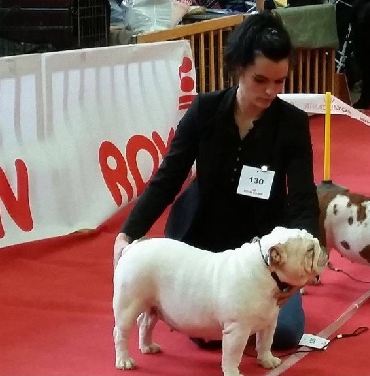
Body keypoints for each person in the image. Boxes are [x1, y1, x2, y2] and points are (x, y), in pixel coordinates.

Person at [112, 11, 320, 350]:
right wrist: (128, 234)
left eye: (279, 82)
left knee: (284, 333)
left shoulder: (292, 124)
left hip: (264, 255)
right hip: (202, 246)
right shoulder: (204, 111)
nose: (271, 91)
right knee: (212, 333)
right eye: (260, 79)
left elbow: (302, 198)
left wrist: (306, 257)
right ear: (238, 69)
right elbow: (168, 179)